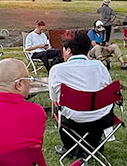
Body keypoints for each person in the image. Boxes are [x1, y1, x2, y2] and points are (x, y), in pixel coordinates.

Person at [48, 31, 115, 159]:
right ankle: (92, 145)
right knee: (93, 108)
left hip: (74, 120)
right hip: (102, 119)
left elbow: (54, 98)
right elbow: (109, 90)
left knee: (62, 109)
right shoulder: (99, 66)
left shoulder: (57, 70)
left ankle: (70, 147)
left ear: (67, 50)